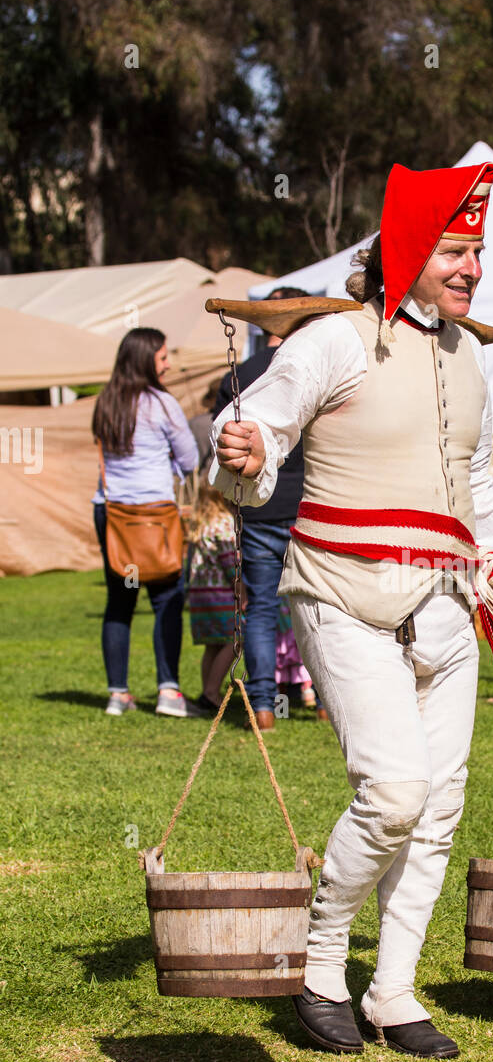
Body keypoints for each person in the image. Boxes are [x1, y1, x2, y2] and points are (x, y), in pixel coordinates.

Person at [212, 161, 493, 1058]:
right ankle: (321, 962)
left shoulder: (469, 357)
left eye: (478, 253)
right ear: (409, 250)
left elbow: (469, 487)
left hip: (448, 608)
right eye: (455, 250)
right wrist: (246, 449)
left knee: (441, 806)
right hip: (341, 594)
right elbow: (251, 447)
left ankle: (395, 991)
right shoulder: (334, 342)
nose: (472, 269)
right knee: (396, 791)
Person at [211, 286, 311, 731]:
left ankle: (265, 707)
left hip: (259, 510)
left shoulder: (241, 371)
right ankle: (325, 700)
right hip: (305, 506)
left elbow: (222, 447)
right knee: (318, 606)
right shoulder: (310, 370)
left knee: (263, 611)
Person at [92, 327, 202, 717]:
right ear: (145, 361)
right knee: (166, 601)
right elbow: (189, 460)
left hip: (113, 511)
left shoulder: (105, 402)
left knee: (119, 602)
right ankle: (168, 691)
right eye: (162, 357)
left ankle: (117, 694)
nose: (168, 363)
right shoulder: (162, 403)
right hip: (155, 515)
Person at [185, 478, 239, 712]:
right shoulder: (224, 523)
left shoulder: (200, 523)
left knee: (213, 645)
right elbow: (230, 563)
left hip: (199, 596)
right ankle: (211, 691)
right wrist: (242, 592)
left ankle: (208, 690)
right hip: (221, 594)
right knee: (236, 640)